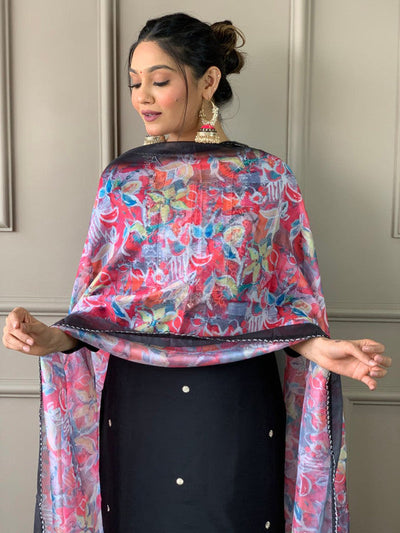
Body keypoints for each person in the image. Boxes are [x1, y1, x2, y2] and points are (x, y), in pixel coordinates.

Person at [2, 12, 391, 533]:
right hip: (139, 403)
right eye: (135, 83)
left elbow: (285, 299)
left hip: (233, 402)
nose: (142, 97)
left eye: (159, 81)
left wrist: (321, 348)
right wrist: (47, 337)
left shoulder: (267, 178)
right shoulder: (123, 180)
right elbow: (101, 306)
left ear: (207, 81)